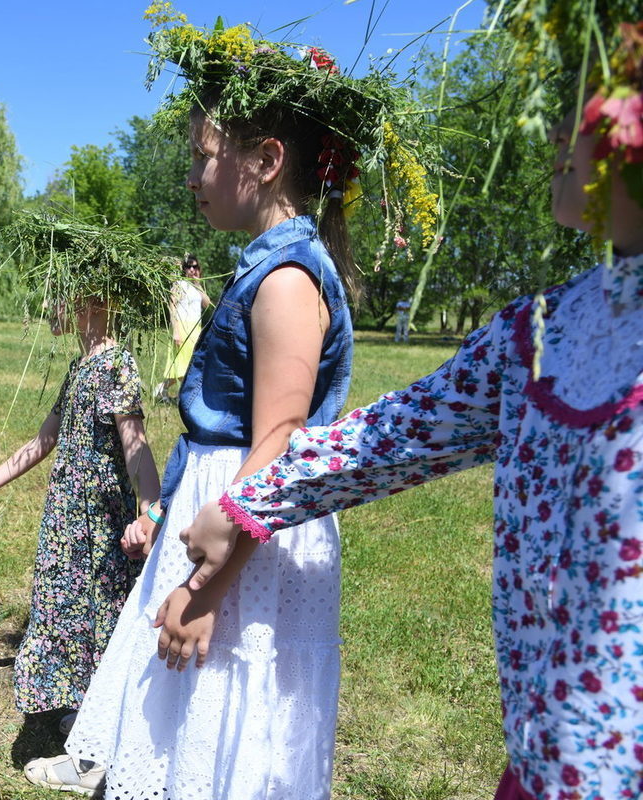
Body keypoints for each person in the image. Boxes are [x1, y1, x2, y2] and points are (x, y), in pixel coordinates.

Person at [180, 18, 643, 800]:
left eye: (588, 93)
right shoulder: (538, 337)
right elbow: (388, 437)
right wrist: (248, 504)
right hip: (547, 767)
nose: (556, 129)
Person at [29, 10, 438, 797]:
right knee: (187, 723)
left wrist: (206, 589)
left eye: (201, 155)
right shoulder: (264, 269)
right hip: (225, 512)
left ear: (266, 159)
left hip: (249, 534)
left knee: (226, 720)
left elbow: (278, 442)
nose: (190, 175)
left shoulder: (286, 281)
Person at [0, 224, 162, 727]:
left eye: (57, 297)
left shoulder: (115, 365)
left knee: (97, 602)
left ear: (88, 300)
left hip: (97, 518)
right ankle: (77, 698)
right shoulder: (80, 365)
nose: (50, 308)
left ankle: (102, 708)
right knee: (62, 599)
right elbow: (44, 440)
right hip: (66, 514)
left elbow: (136, 449)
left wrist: (152, 511)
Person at [154, 252, 211, 403]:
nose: (192, 270)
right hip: (182, 327)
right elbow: (172, 308)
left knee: (190, 364)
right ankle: (183, 396)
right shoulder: (179, 284)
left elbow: (206, 303)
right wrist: (176, 332)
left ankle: (164, 388)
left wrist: (198, 283)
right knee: (183, 364)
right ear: (183, 269)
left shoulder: (197, 285)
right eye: (188, 267)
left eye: (195, 267)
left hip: (196, 328)